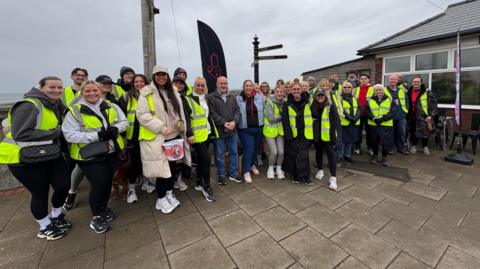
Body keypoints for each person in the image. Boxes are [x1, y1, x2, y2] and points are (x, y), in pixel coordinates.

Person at [0, 76, 71, 240]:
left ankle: (56, 215)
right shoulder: (29, 106)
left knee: (63, 185)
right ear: (41, 89)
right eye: (52, 87)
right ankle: (45, 226)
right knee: (40, 192)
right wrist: (57, 132)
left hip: (50, 154)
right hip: (24, 158)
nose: (57, 90)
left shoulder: (55, 105)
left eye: (59, 88)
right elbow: (21, 133)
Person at [62, 80, 128, 233]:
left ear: (100, 91)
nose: (92, 94)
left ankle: (103, 209)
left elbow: (124, 122)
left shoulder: (111, 106)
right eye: (88, 91)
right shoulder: (74, 111)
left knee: (106, 183)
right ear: (82, 93)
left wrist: (115, 129)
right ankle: (96, 217)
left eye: (95, 91)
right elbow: (69, 135)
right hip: (88, 154)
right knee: (98, 184)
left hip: (111, 151)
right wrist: (96, 135)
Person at [136, 65, 192, 214]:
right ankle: (160, 199)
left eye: (164, 75)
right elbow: (142, 116)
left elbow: (177, 112)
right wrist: (161, 127)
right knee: (162, 171)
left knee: (172, 169)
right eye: (158, 74)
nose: (161, 77)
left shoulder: (173, 91)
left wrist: (180, 123)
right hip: (158, 138)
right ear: (154, 76)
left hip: (173, 137)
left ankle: (168, 193)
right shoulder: (146, 93)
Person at [118, 74, 156, 204]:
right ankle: (131, 189)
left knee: (147, 160)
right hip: (132, 136)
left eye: (141, 81)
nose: (139, 84)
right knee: (135, 163)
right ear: (133, 84)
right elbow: (121, 117)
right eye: (136, 82)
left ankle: (146, 183)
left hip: (148, 134)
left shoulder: (150, 95)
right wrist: (123, 136)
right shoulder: (126, 97)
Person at [207, 76, 243, 185]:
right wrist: (224, 123)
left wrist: (234, 122)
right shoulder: (211, 97)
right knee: (219, 155)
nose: (223, 85)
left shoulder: (232, 97)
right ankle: (221, 175)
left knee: (233, 152)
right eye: (221, 83)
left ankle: (233, 173)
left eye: (225, 83)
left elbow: (237, 111)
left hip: (232, 131)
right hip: (219, 131)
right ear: (217, 84)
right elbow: (212, 114)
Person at [186, 77, 216, 202]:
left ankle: (199, 181)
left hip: (207, 133)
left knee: (201, 159)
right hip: (196, 136)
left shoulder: (206, 98)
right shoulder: (188, 99)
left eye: (202, 85)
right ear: (194, 86)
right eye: (198, 85)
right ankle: (207, 186)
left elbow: (208, 117)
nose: (200, 87)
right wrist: (189, 133)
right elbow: (187, 118)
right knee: (206, 159)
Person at [282, 82, 313, 184]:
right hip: (293, 133)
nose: (296, 91)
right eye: (294, 89)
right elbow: (285, 121)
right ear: (291, 90)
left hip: (305, 133)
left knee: (304, 155)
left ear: (301, 90)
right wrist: (288, 134)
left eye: (298, 89)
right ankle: (295, 176)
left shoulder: (308, 102)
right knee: (293, 155)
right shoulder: (287, 104)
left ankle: (306, 177)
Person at [311, 89, 341, 189]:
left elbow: (337, 122)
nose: (320, 97)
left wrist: (337, 137)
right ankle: (320, 170)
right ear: (315, 97)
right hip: (317, 136)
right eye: (318, 95)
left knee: (331, 156)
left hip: (328, 136)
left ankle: (333, 177)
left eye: (322, 95)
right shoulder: (312, 107)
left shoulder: (331, 107)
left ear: (325, 96)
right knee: (318, 153)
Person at [236, 80, 264, 183]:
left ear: (253, 87)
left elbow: (264, 110)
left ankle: (252, 165)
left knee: (256, 148)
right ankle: (246, 171)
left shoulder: (259, 97)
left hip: (258, 128)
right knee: (249, 149)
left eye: (250, 86)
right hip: (245, 129)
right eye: (246, 86)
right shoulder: (238, 99)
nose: (248, 87)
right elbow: (235, 111)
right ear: (243, 87)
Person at [171, 75, 193, 191]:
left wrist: (189, 133)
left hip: (181, 132)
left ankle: (178, 180)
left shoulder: (184, 98)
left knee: (180, 158)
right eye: (176, 83)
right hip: (169, 133)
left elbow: (187, 117)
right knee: (172, 160)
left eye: (181, 83)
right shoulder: (167, 96)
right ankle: (172, 182)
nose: (179, 85)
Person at [366, 84, 396, 166]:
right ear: (374, 92)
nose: (378, 91)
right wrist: (374, 119)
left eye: (380, 90)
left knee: (385, 142)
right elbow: (367, 111)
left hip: (386, 124)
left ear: (383, 91)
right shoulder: (370, 100)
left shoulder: (390, 99)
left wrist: (382, 119)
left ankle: (384, 158)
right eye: (377, 90)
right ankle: (375, 156)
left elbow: (393, 112)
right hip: (373, 124)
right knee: (374, 141)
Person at [407, 77, 438, 155]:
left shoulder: (427, 92)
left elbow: (433, 104)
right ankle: (414, 146)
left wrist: (431, 115)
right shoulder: (408, 91)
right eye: (414, 81)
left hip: (424, 116)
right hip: (412, 116)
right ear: (412, 83)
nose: (416, 83)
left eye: (418, 82)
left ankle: (425, 147)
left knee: (425, 133)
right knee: (413, 132)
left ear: (421, 83)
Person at [263, 86, 285, 179]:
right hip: (270, 131)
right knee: (274, 152)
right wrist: (281, 116)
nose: (279, 93)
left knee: (281, 152)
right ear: (274, 92)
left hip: (280, 131)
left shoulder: (285, 102)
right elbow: (271, 119)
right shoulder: (269, 102)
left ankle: (279, 169)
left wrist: (277, 116)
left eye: (281, 91)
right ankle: (270, 168)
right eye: (277, 91)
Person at [385, 74, 409, 155]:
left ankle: (401, 148)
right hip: (389, 115)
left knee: (401, 133)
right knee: (390, 133)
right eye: (391, 79)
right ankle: (390, 148)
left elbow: (406, 101)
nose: (393, 81)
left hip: (401, 115)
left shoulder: (401, 90)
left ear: (397, 81)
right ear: (388, 80)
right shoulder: (384, 90)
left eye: (395, 80)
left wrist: (406, 110)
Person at [337, 82, 360, 163]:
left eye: (349, 87)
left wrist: (356, 117)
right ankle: (340, 155)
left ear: (352, 88)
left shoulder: (355, 97)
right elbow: (341, 109)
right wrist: (350, 118)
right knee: (342, 141)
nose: (347, 89)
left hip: (353, 122)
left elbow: (358, 108)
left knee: (350, 140)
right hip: (344, 122)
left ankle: (347, 155)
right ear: (342, 89)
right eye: (345, 87)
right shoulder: (339, 98)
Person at [353, 74, 373, 155]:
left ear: (368, 80)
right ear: (359, 80)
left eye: (365, 79)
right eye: (362, 79)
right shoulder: (356, 89)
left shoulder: (373, 88)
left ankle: (370, 148)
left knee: (370, 132)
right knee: (358, 132)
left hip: (369, 114)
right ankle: (357, 147)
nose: (363, 80)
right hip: (359, 114)